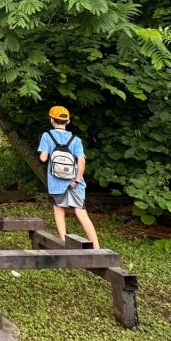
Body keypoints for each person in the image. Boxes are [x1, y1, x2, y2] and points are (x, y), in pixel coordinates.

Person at [38, 106, 100, 249]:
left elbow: (43, 158)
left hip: (56, 182)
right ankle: (97, 248)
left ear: (51, 120)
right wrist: (77, 180)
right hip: (75, 182)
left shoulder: (47, 136)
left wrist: (45, 152)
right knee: (82, 213)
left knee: (59, 210)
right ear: (68, 121)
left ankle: (64, 243)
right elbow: (82, 161)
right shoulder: (75, 139)